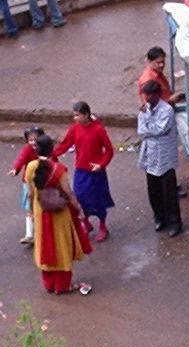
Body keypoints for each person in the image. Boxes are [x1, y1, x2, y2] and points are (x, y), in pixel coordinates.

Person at [25, 134, 93, 294]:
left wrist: (31, 212)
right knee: (62, 246)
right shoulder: (59, 169)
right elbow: (68, 192)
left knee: (44, 246)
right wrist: (79, 209)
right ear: (51, 149)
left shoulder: (30, 167)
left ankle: (49, 285)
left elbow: (30, 193)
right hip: (59, 214)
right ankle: (62, 286)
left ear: (36, 150)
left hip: (40, 211)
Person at [53, 101, 115, 241]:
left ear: (86, 114)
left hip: (96, 172)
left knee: (98, 199)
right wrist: (49, 155)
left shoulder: (98, 129)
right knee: (79, 197)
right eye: (74, 115)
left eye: (77, 115)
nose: (75, 118)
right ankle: (86, 223)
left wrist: (101, 164)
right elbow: (65, 145)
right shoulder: (74, 129)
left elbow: (109, 150)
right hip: (81, 170)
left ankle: (103, 226)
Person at [137, 79, 182, 236]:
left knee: (169, 192)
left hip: (165, 157)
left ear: (157, 95)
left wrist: (148, 125)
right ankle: (159, 218)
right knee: (153, 190)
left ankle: (174, 223)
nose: (146, 98)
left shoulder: (167, 110)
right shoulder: (144, 110)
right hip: (150, 156)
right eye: (145, 95)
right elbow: (141, 131)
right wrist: (149, 128)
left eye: (149, 95)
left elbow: (160, 130)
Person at [7, 126, 45, 244]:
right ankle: (29, 235)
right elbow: (21, 159)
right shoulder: (27, 149)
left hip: (42, 182)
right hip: (29, 183)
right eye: (30, 140)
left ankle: (41, 233)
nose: (33, 142)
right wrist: (15, 169)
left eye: (35, 139)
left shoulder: (44, 148)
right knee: (29, 208)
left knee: (42, 207)